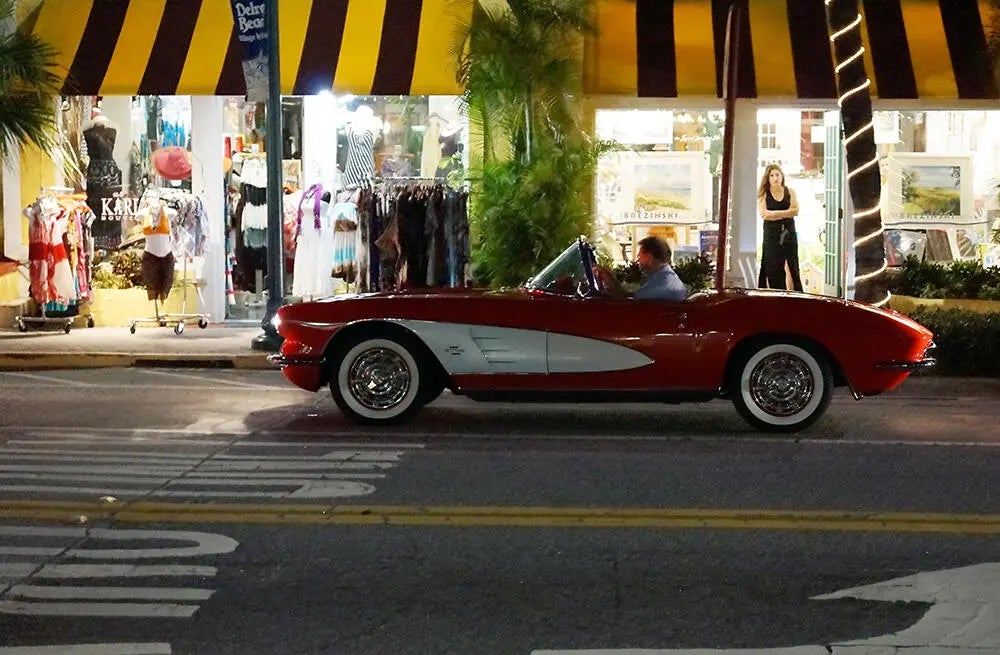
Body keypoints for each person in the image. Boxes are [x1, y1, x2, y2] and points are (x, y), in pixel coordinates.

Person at [594, 235, 687, 301]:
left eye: (639, 256)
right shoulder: (664, 277)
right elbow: (629, 296)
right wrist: (612, 281)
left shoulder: (660, 285)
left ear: (649, 257)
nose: (638, 261)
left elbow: (630, 302)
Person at [757, 163, 803, 291]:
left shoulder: (790, 191)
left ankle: (795, 294)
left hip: (788, 232)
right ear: (768, 178)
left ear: (782, 176)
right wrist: (786, 213)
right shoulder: (764, 194)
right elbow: (764, 214)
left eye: (777, 175)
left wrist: (775, 214)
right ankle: (774, 292)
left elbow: (795, 211)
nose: (775, 178)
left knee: (792, 265)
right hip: (771, 234)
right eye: (772, 175)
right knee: (772, 265)